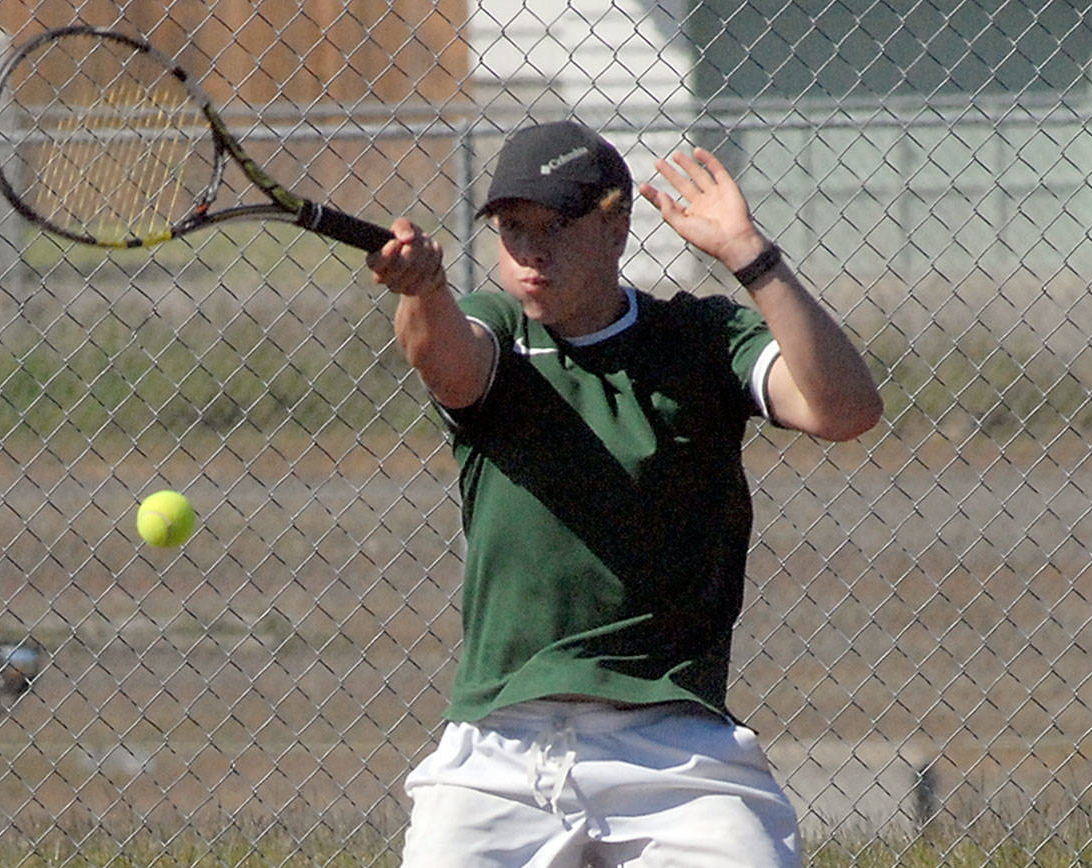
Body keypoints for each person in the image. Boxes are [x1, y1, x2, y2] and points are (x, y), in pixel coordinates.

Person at [366, 120, 882, 868]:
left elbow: (844, 411)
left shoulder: (700, 338)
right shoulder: (498, 328)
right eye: (513, 228)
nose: (530, 252)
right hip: (501, 744)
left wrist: (750, 257)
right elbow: (446, 361)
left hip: (675, 746)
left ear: (616, 227)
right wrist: (423, 290)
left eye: (555, 227)